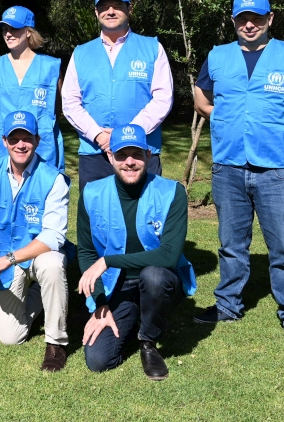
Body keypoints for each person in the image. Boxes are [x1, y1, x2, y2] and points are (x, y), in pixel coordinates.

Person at [192, 0, 284, 344]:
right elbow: (201, 98)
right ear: (233, 21)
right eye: (241, 18)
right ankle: (227, 306)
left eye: (255, 17)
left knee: (283, 246)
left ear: (270, 19)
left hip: (276, 168)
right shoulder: (217, 56)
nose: (248, 24)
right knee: (231, 243)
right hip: (229, 164)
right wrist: (223, 118)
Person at [77, 124, 195, 381]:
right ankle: (133, 316)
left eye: (136, 154)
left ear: (148, 156)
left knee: (153, 277)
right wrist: (101, 303)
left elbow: (168, 256)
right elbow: (86, 252)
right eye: (121, 155)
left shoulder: (172, 192)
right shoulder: (91, 193)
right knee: (98, 360)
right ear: (110, 157)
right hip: (116, 285)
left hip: (161, 279)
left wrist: (108, 260)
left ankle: (148, 342)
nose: (129, 162)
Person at [0, 111, 71, 371]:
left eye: (27, 138)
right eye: (14, 139)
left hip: (36, 255)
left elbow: (54, 235)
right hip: (2, 259)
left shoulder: (53, 179)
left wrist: (8, 259)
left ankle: (56, 343)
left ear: (36, 140)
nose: (20, 145)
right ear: (4, 141)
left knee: (52, 265)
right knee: (11, 338)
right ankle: (41, 294)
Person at [62, 0, 174, 192]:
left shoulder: (152, 48)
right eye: (104, 7)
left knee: (145, 218)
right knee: (96, 220)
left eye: (117, 6)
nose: (110, 11)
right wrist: (99, 136)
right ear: (96, 12)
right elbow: (70, 102)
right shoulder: (80, 53)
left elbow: (163, 98)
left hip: (141, 153)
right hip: (95, 152)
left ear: (129, 9)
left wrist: (128, 134)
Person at [0, 6, 64, 171]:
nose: (8, 34)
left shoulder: (50, 66)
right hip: (3, 149)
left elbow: (58, 108)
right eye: (5, 29)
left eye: (14, 28)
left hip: (43, 149)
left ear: (28, 31)